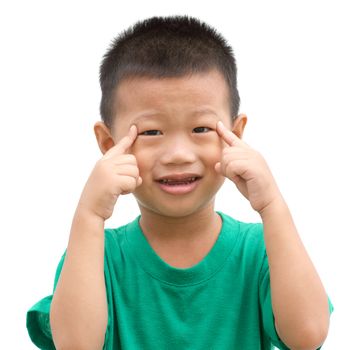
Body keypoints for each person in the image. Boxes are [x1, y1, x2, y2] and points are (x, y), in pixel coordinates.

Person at [26, 15, 333, 350]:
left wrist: (272, 206)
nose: (177, 154)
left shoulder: (259, 249)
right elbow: (76, 345)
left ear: (235, 136)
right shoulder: (98, 255)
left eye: (201, 128)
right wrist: (89, 215)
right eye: (151, 132)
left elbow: (308, 335)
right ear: (109, 144)